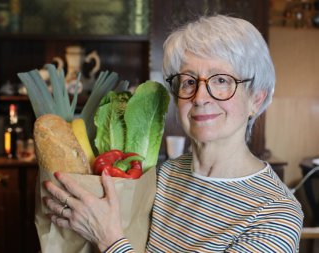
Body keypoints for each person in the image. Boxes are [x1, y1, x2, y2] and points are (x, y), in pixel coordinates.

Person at [43, 15, 303, 252]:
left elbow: (113, 240)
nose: (200, 97)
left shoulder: (275, 213)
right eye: (189, 81)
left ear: (256, 99)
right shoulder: (165, 175)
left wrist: (107, 239)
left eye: (221, 80)